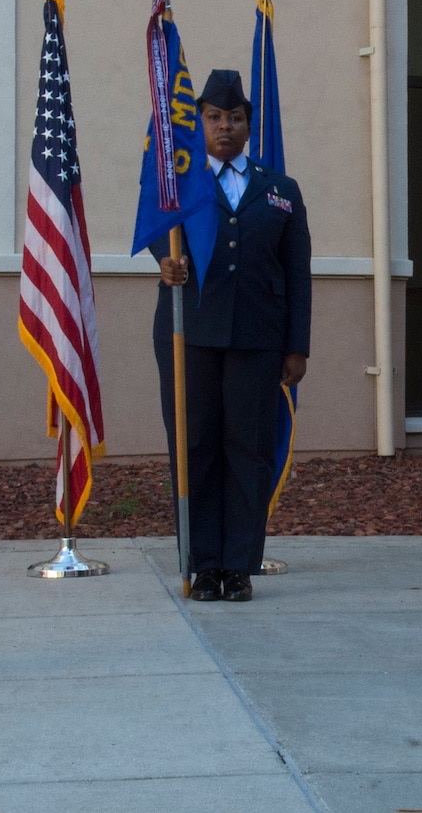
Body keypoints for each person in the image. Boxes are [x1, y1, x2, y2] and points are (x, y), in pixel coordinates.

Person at [152, 69, 311, 603]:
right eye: (215, 118)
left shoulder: (280, 190)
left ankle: (239, 566)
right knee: (195, 447)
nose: (225, 126)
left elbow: (296, 274)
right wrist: (166, 264)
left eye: (235, 118)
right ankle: (203, 566)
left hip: (256, 340)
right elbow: (159, 233)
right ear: (199, 123)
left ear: (249, 125)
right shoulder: (180, 184)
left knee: (249, 449)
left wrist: (297, 346)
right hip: (190, 335)